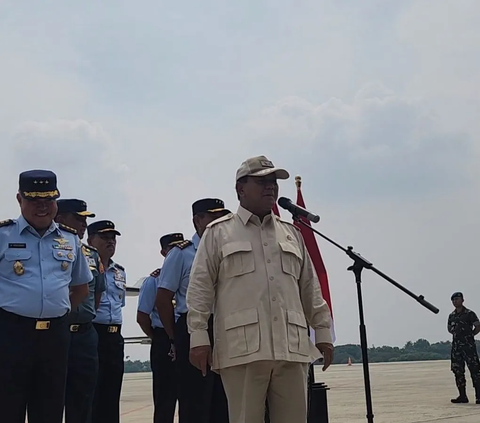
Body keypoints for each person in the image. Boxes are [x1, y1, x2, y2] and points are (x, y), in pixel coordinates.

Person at [186, 155, 334, 423]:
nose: (271, 187)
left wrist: (322, 330)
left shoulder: (291, 233)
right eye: (262, 181)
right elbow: (199, 289)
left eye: (274, 182)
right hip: (243, 348)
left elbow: (309, 286)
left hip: (291, 346)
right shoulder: (219, 233)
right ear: (240, 189)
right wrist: (198, 338)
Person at [0, 169, 92, 423]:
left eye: (48, 201)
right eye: (34, 201)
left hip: (55, 336)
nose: (42, 207)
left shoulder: (70, 239)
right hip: (10, 334)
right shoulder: (3, 235)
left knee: (50, 406)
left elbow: (81, 287)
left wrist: (58, 312)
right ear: (20, 199)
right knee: (8, 406)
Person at [156, 199, 231, 423]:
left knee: (224, 398)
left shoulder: (229, 250)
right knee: (195, 399)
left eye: (222, 217)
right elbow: (163, 299)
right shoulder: (182, 254)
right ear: (197, 220)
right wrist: (175, 337)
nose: (219, 222)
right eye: (213, 217)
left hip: (225, 326)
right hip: (193, 326)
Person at [55, 199, 107, 423]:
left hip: (85, 334)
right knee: (50, 398)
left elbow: (95, 295)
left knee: (83, 398)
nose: (84, 224)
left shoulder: (91, 254)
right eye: (78, 218)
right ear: (60, 218)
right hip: (56, 332)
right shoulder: (48, 247)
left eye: (85, 219)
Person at [136, 232, 185, 423]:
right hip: (163, 338)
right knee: (165, 396)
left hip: (186, 334)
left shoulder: (190, 276)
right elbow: (142, 316)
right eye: (171, 248)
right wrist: (158, 338)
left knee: (190, 395)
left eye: (179, 247)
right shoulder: (153, 281)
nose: (176, 251)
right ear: (163, 252)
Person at [88, 220, 127, 423]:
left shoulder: (119, 271)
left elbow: (119, 305)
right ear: (90, 240)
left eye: (113, 238)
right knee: (93, 392)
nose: (110, 242)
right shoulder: (84, 266)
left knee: (112, 391)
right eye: (104, 237)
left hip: (114, 336)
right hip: (94, 332)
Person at [448, 292, 480, 404]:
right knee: (458, 371)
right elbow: (449, 329)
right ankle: (462, 396)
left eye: (457, 299)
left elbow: (477, 326)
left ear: (462, 300)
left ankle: (479, 396)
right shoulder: (452, 315)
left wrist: (470, 335)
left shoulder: (469, 314)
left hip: (468, 347)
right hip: (456, 348)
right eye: (453, 300)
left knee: (475, 371)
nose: (455, 301)